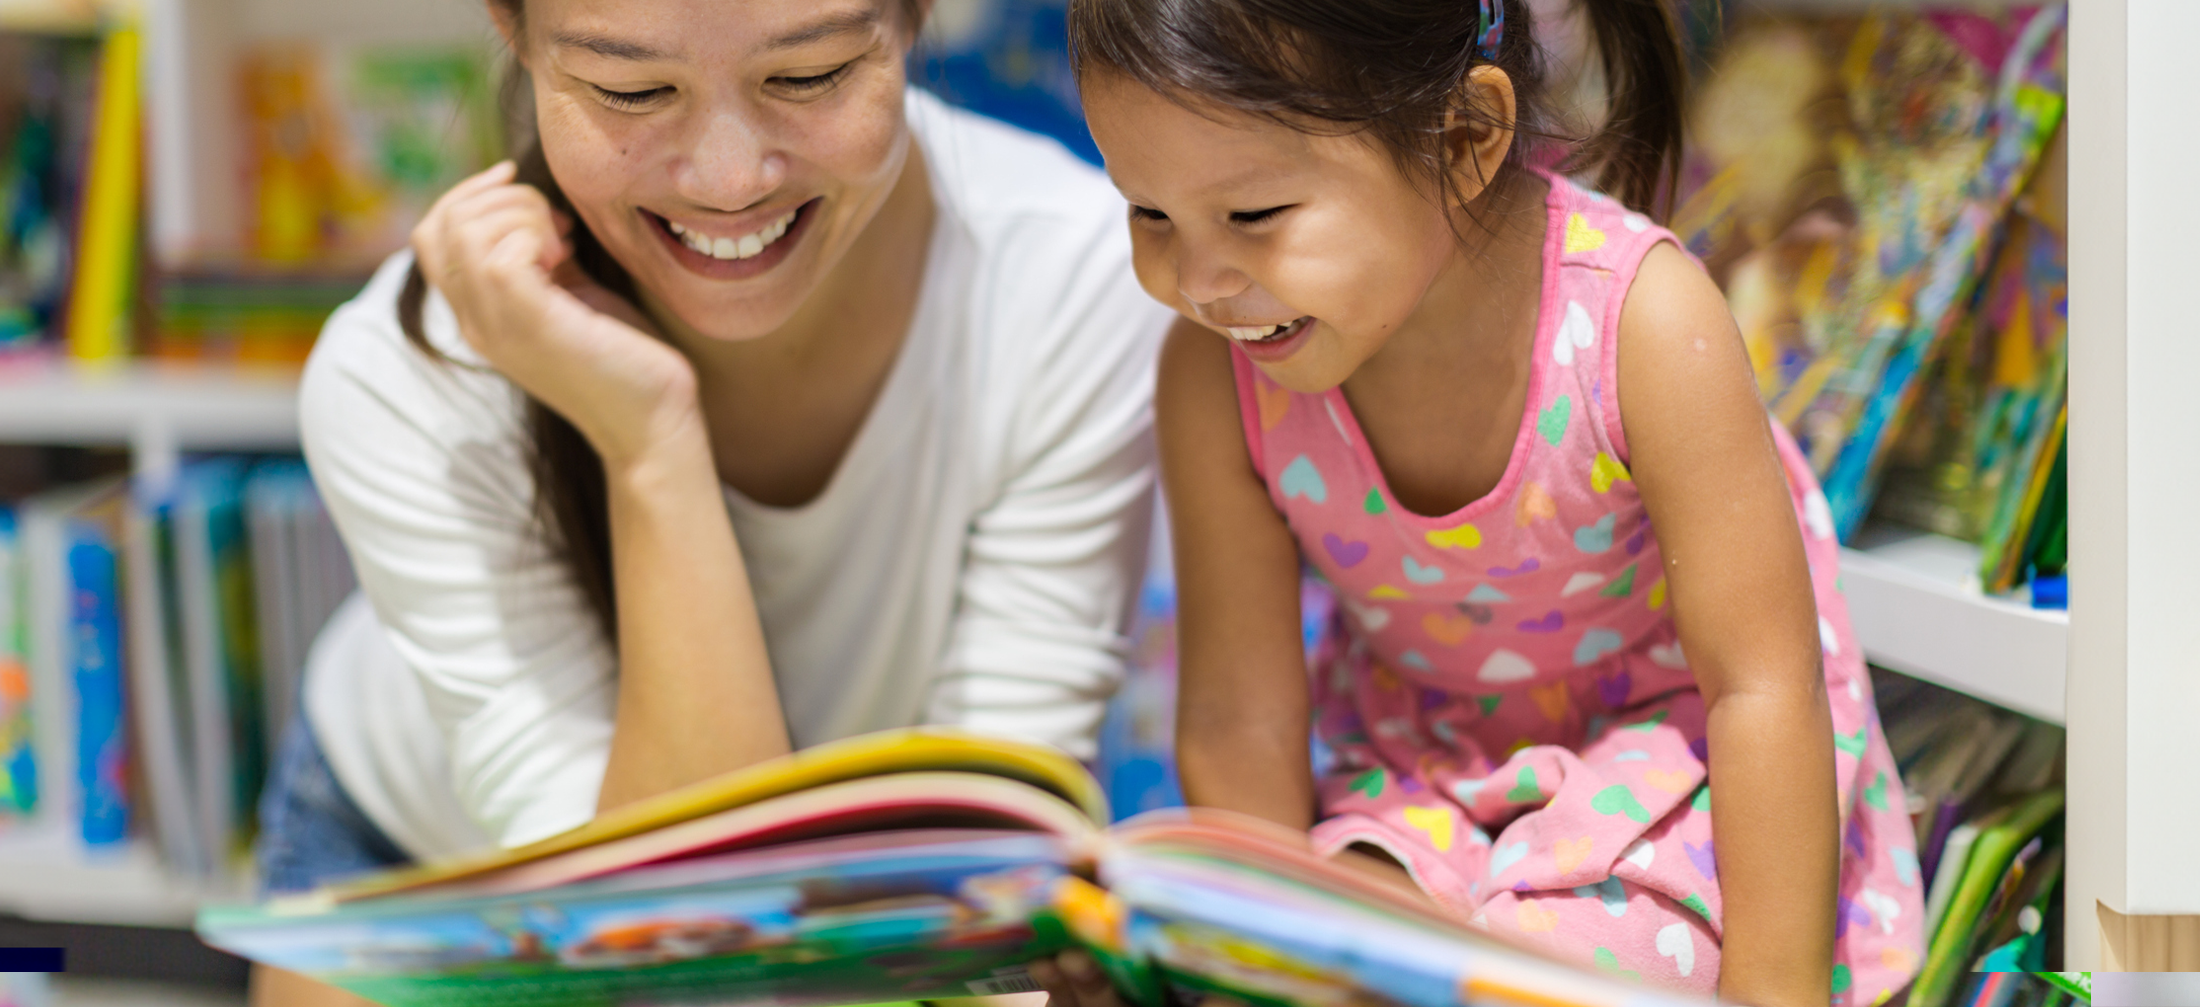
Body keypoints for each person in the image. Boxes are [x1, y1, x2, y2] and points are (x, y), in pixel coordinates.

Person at [255, 0, 1171, 1002]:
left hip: (863, 903)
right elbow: (669, 966)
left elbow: (981, 878)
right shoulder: (407, 373)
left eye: (811, 74)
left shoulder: (1072, 280)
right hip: (421, 862)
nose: (731, 179)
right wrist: (650, 444)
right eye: (631, 90)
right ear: (515, 36)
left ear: (915, 20)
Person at [1047, 0, 1927, 1004]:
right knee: (1349, 962)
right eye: (1147, 212)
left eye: (1254, 216)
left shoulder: (1641, 324)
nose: (1196, 281)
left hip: (1667, 776)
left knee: (1537, 967)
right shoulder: (1217, 375)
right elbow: (1237, 715)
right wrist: (1267, 955)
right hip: (1418, 779)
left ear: (1464, 138)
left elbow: (1761, 690)